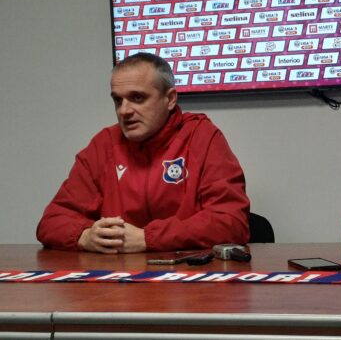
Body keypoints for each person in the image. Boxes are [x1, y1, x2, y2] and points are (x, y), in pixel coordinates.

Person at [37, 53, 250, 253]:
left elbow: (232, 222)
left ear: (170, 99)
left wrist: (148, 238)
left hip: (186, 274)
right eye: (118, 100)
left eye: (137, 98)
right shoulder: (103, 145)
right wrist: (84, 236)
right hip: (119, 277)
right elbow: (52, 221)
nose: (124, 110)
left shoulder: (201, 137)